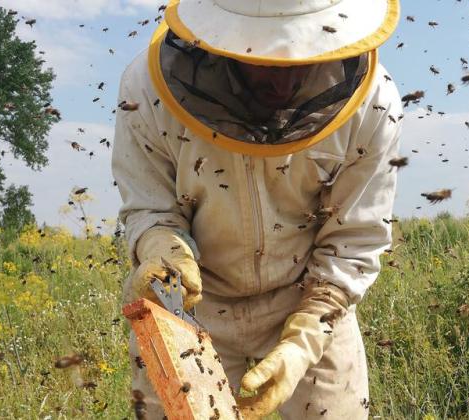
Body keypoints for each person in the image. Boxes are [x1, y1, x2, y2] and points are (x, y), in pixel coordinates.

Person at [112, 0, 402, 418]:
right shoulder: (146, 88)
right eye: (263, 61)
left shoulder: (373, 103)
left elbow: (353, 239)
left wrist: (305, 337)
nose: (282, 86)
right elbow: (149, 204)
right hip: (191, 301)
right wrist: (161, 245)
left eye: (299, 57)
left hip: (308, 294)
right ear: (219, 43)